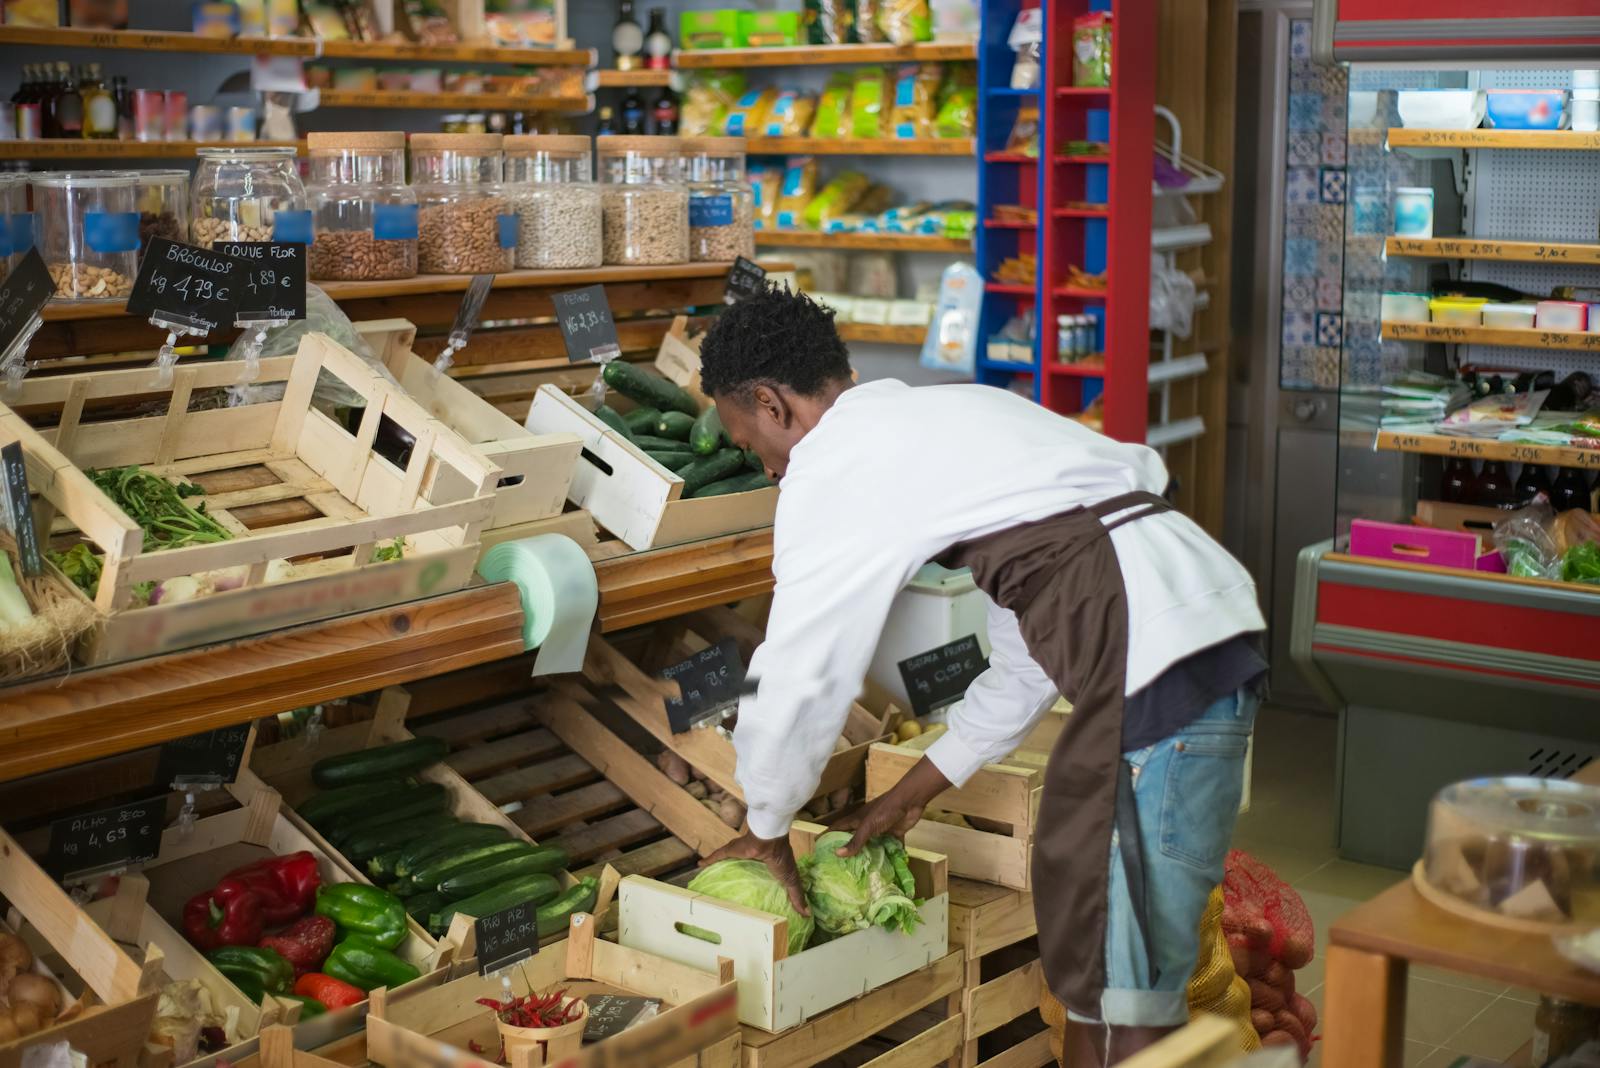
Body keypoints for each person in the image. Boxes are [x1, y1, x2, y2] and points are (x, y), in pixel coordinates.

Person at [695, 287, 1268, 1066]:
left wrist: (765, 827)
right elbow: (1031, 651)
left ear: (771, 403)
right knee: (1095, 923)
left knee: (1120, 977)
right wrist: (916, 788)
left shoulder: (834, 463)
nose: (766, 470)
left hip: (1155, 666)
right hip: (1190, 635)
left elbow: (799, 670)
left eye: (752, 444)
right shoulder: (949, 418)